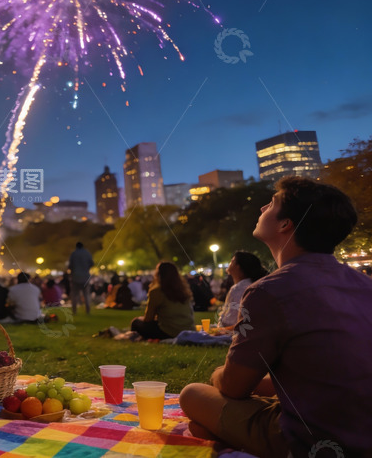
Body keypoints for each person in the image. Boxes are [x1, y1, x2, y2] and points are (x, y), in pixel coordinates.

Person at [179, 177, 372, 457]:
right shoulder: (365, 284)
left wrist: (217, 375)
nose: (261, 208)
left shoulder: (269, 291)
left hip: (315, 440)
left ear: (285, 224)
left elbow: (234, 387)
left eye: (271, 204)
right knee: (208, 420)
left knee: (192, 395)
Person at [130, 262, 195, 340]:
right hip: (189, 330)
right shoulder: (183, 290)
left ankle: (134, 337)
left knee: (136, 322)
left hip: (169, 332)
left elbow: (148, 318)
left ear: (158, 274)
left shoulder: (157, 291)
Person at [216, 251, 268, 329]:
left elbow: (233, 320)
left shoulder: (239, 288)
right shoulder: (250, 284)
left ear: (238, 267)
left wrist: (219, 330)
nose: (229, 264)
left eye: (232, 261)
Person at [68, 242, 94, 314]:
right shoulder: (87, 253)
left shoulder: (74, 254)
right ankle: (88, 310)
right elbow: (92, 263)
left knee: (75, 295)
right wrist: (86, 268)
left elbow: (70, 265)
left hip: (75, 277)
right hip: (85, 276)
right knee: (86, 294)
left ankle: (74, 310)